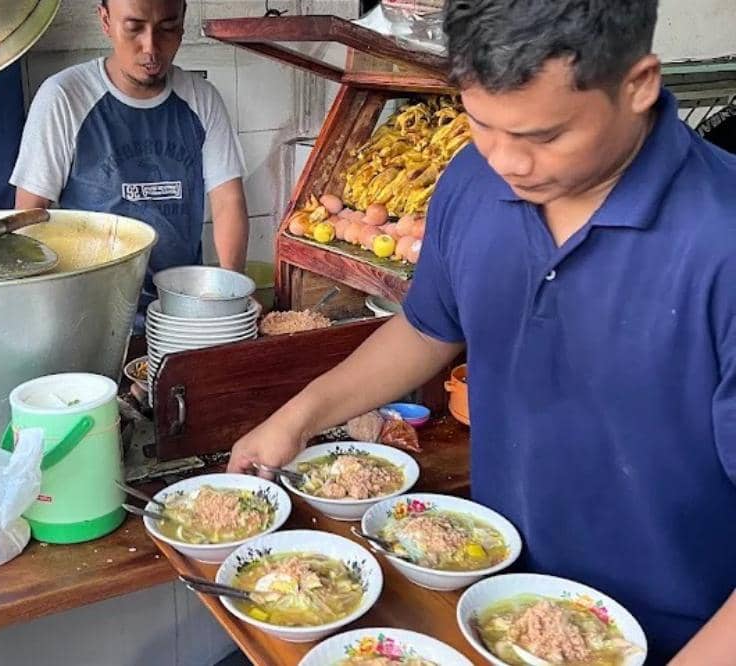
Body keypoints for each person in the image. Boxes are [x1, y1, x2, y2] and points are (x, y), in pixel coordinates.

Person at [228, 0, 736, 662]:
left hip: (677, 634)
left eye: (544, 136)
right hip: (494, 601)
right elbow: (427, 326)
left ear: (638, 85)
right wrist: (298, 418)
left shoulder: (720, 239)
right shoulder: (472, 181)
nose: (506, 161)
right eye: (482, 123)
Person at [10, 0, 249, 318]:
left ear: (182, 21)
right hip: (92, 315)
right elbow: (29, 215)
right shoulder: (65, 97)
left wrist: (230, 292)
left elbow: (228, 202)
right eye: (134, 27)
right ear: (105, 20)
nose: (151, 48)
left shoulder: (201, 98)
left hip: (182, 309)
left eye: (166, 28)